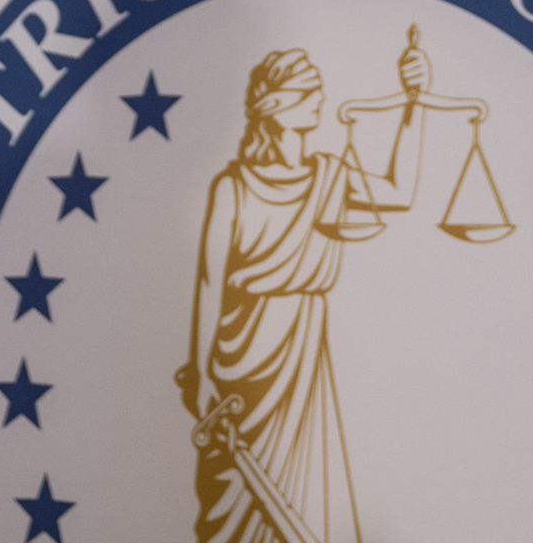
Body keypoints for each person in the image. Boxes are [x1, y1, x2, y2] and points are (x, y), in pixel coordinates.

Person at [179, 38, 429, 543]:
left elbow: (399, 193)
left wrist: (413, 103)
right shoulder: (232, 187)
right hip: (243, 356)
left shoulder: (330, 175)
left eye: (316, 87)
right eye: (306, 89)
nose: (318, 97)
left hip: (300, 348)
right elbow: (209, 282)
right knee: (236, 494)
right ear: (276, 106)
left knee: (303, 491)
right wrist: (203, 371)